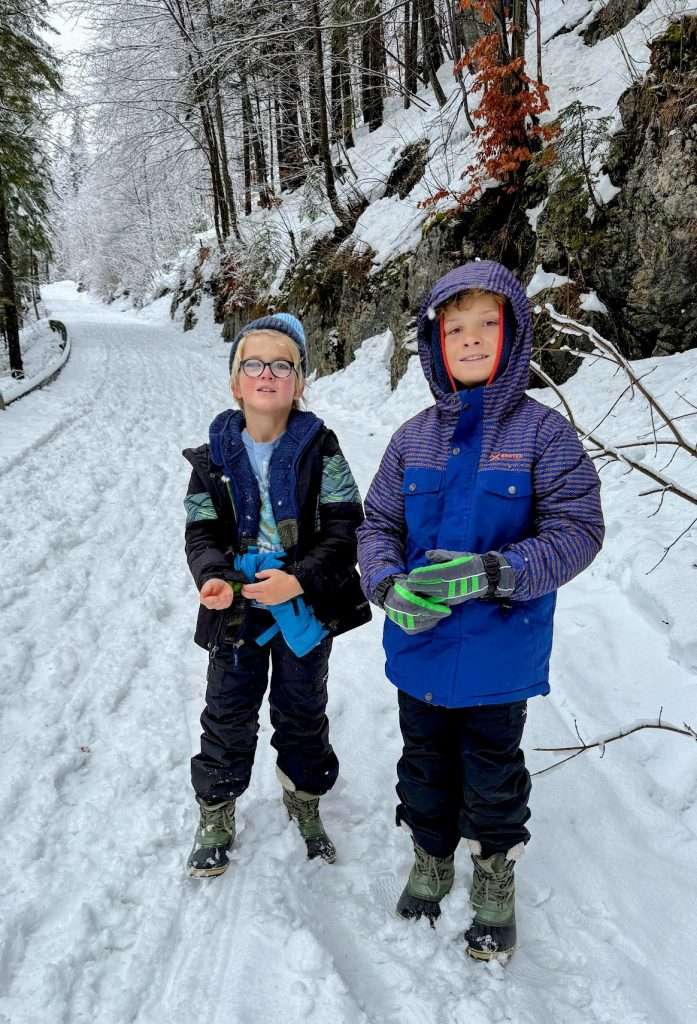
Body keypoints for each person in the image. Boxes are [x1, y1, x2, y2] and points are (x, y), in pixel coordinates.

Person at [356, 261, 604, 960]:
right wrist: (386, 586)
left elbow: (576, 530)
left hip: (500, 653)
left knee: (492, 770)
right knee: (424, 764)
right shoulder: (410, 439)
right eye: (453, 327)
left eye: (485, 325)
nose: (468, 339)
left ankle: (493, 869)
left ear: (514, 333)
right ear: (432, 342)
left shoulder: (543, 435)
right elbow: (376, 527)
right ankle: (432, 856)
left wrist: (498, 572)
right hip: (419, 650)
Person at [183, 313, 370, 878]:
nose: (268, 373)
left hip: (303, 607)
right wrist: (211, 576)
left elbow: (345, 526)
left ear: (301, 381)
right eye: (253, 364)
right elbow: (201, 529)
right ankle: (216, 807)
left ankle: (305, 796)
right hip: (236, 610)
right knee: (228, 709)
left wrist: (301, 578)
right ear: (236, 382)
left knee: (302, 708)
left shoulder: (323, 450)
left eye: (283, 364)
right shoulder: (213, 456)